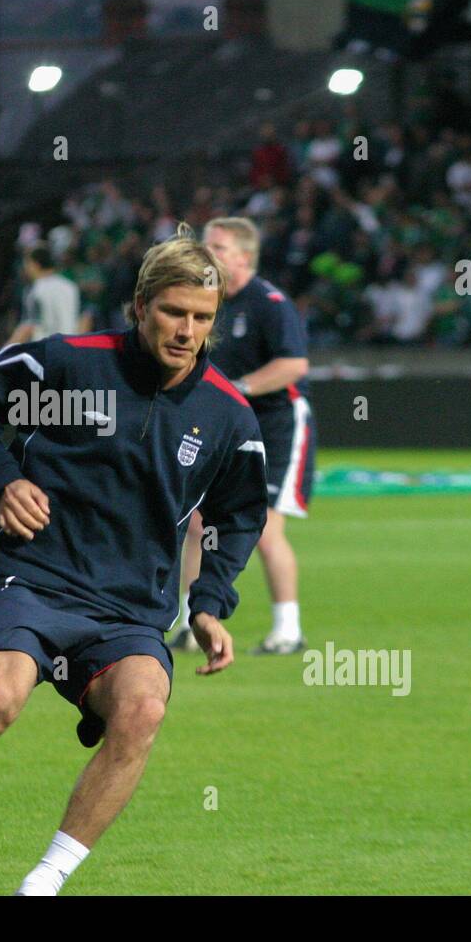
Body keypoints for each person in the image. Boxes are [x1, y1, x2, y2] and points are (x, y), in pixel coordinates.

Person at [0, 223, 268, 896]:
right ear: (140, 307)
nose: (187, 330)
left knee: (142, 711)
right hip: (35, 581)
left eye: (202, 318)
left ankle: (43, 882)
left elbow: (243, 514)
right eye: (173, 312)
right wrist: (4, 479)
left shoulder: (228, 415)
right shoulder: (70, 363)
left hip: (129, 611)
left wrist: (212, 601)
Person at [173, 217, 315, 655]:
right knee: (197, 524)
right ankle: (188, 622)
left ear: (243, 256)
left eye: (217, 245)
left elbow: (294, 366)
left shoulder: (270, 303)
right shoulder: (211, 300)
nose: (207, 250)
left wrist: (240, 390)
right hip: (230, 428)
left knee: (266, 530)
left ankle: (288, 630)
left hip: (277, 427)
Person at [7, 244, 80, 343]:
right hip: (68, 346)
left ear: (34, 264)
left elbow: (28, 327)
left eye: (26, 263)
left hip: (44, 349)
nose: (24, 268)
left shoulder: (35, 290)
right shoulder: (69, 286)